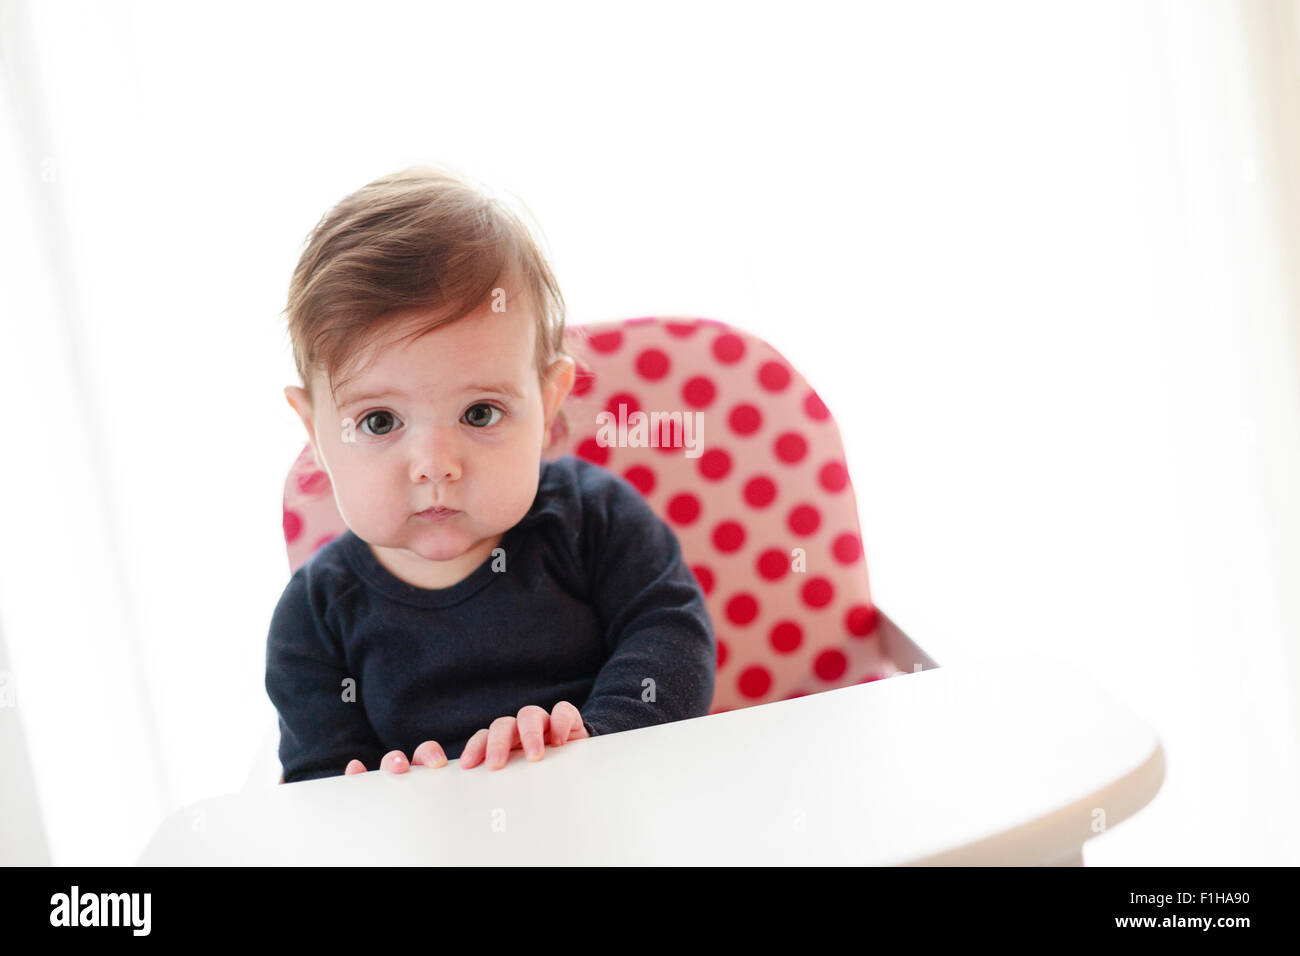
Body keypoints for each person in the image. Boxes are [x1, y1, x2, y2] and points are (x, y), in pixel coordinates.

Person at [267, 166, 716, 782]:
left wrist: (594, 743)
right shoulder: (313, 621)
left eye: (480, 413)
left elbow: (671, 642)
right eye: (378, 422)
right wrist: (382, 799)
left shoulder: (595, 522)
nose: (435, 467)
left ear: (548, 400)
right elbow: (321, 788)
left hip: (617, 813)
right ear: (315, 431)